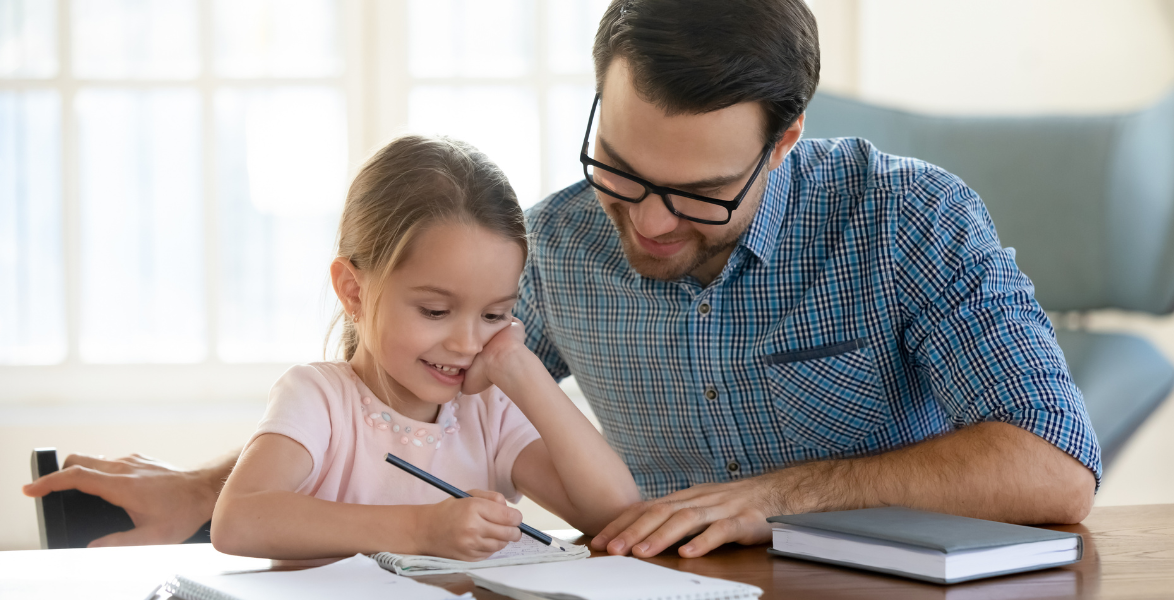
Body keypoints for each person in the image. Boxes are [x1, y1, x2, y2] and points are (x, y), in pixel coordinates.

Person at [25, 0, 1100, 558]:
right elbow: (409, 398)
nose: (646, 221)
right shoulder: (557, 245)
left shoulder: (908, 221)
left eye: (699, 195)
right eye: (620, 171)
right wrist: (195, 493)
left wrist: (772, 498)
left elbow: (1054, 467)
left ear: (785, 146)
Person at [207, 134, 638, 560]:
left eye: (494, 315)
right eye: (434, 311)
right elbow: (238, 520)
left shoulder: (490, 411)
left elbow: (617, 517)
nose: (468, 344)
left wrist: (520, 367)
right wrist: (421, 528)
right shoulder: (319, 399)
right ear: (354, 291)